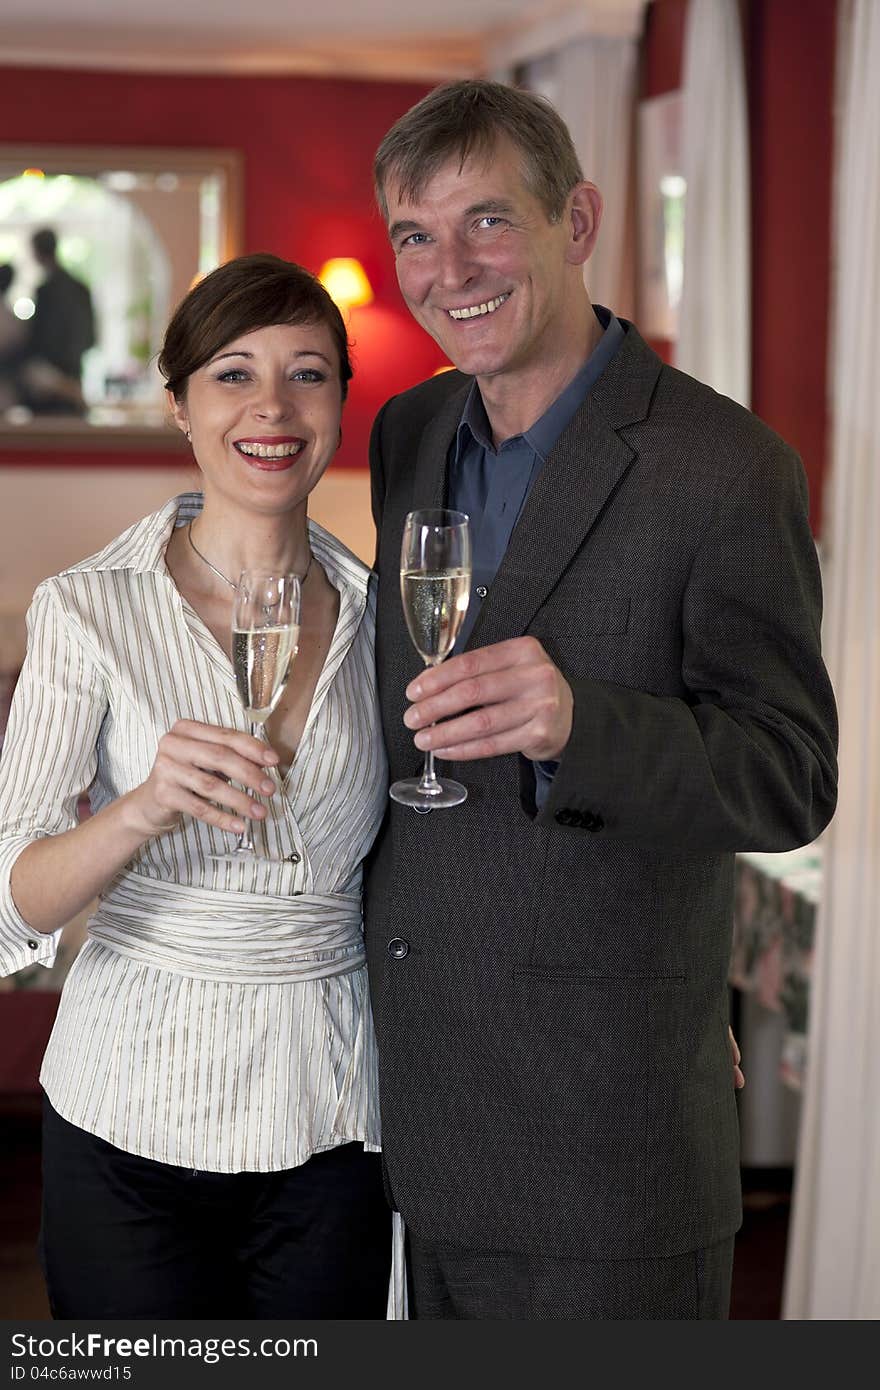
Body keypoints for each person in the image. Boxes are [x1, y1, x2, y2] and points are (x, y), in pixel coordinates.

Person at [363, 80, 838, 1319]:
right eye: (414, 233)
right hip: (418, 1116)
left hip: (604, 1136)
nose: (447, 267)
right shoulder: (408, 433)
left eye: (487, 222)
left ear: (576, 221)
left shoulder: (726, 467)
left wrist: (585, 726)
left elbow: (789, 774)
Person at [0, 253, 393, 1318]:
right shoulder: (87, 610)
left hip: (332, 1112)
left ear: (341, 405)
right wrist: (140, 807)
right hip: (129, 1114)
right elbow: (12, 903)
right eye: (233, 373)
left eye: (308, 374)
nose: (272, 407)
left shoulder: (383, 619)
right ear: (176, 403)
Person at [19, 227, 95, 415]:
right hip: (74, 371)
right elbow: (90, 336)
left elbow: (38, 338)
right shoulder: (80, 288)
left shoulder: (45, 291)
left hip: (50, 382)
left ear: (36, 252)